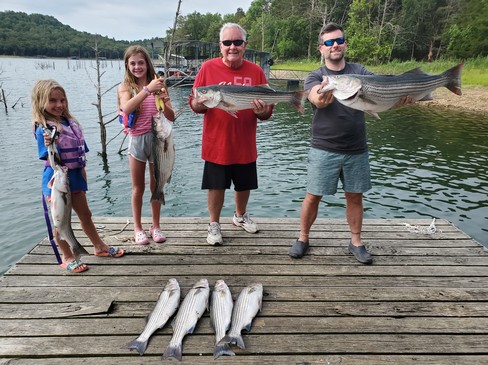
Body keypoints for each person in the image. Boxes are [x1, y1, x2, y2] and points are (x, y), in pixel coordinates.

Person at [289, 23, 412, 264]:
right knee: (313, 195)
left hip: (356, 147)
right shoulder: (316, 76)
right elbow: (316, 98)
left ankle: (356, 242)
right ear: (320, 49)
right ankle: (303, 238)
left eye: (338, 40)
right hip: (324, 147)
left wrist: (400, 98)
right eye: (328, 42)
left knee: (354, 197)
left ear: (344, 44)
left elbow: (381, 94)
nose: (334, 45)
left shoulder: (361, 72)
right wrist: (321, 96)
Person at [189, 23, 273, 245]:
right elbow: (195, 105)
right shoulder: (207, 68)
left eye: (237, 42)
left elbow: (266, 113)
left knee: (244, 184)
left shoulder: (256, 71)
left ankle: (239, 216)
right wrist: (199, 102)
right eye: (227, 42)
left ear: (245, 45)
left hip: (245, 142)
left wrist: (263, 111)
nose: (232, 47)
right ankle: (214, 223)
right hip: (216, 143)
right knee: (216, 185)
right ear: (220, 46)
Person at [32, 79, 124, 273]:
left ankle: (99, 246)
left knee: (85, 215)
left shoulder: (71, 123)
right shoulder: (43, 129)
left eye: (62, 100)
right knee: (60, 221)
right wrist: (50, 140)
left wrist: (83, 176)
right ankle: (67, 256)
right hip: (55, 181)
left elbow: (81, 154)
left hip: (75, 177)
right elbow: (48, 155)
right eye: (53, 101)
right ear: (41, 102)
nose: (59, 105)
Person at [118, 45, 175, 245]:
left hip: (158, 139)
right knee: (138, 187)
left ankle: (156, 225)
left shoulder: (159, 85)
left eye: (141, 62)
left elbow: (171, 116)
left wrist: (163, 99)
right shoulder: (126, 87)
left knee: (156, 185)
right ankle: (137, 227)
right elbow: (126, 107)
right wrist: (146, 90)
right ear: (127, 65)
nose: (137, 66)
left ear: (147, 63)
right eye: (132, 63)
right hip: (137, 141)